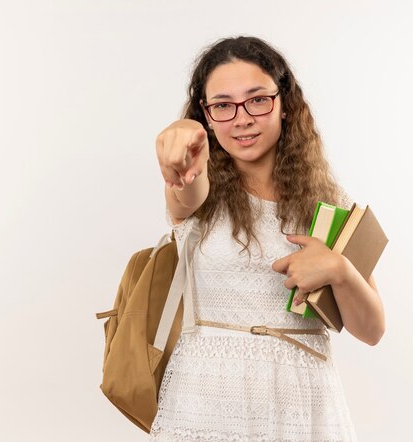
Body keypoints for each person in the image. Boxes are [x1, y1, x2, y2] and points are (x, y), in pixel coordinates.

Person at [151, 36, 385, 442]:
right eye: (222, 105)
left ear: (285, 104)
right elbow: (185, 188)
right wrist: (179, 150)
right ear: (206, 116)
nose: (241, 118)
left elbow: (372, 330)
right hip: (208, 398)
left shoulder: (328, 204)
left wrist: (339, 270)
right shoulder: (199, 189)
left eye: (257, 99)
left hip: (304, 401)